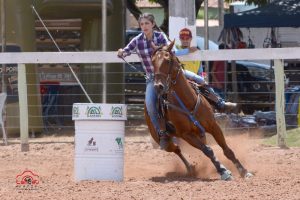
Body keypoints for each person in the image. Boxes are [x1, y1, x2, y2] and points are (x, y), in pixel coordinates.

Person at [117, 14, 235, 150]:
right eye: (142, 24)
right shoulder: (137, 41)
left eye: (147, 24)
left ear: (153, 25)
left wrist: (186, 51)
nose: (144, 26)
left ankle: (220, 102)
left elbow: (173, 51)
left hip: (170, 74)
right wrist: (121, 51)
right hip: (153, 79)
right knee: (150, 104)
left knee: (200, 79)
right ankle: (162, 133)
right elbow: (126, 50)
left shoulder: (161, 37)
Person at [175, 28, 236, 113]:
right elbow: (174, 53)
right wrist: (189, 50)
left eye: (187, 38)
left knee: (207, 90)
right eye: (182, 38)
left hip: (194, 81)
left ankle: (220, 105)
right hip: (181, 81)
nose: (185, 40)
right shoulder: (177, 51)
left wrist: (202, 78)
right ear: (180, 39)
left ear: (191, 39)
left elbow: (200, 71)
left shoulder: (196, 54)